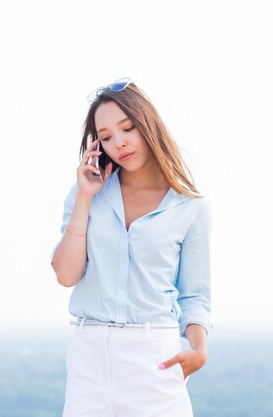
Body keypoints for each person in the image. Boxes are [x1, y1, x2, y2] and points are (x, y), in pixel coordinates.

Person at [50, 78, 212, 417]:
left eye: (128, 128)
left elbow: (194, 295)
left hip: (154, 355)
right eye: (106, 137)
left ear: (148, 125)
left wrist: (199, 348)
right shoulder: (85, 194)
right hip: (88, 355)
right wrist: (84, 198)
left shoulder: (189, 206)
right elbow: (66, 275)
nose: (119, 143)